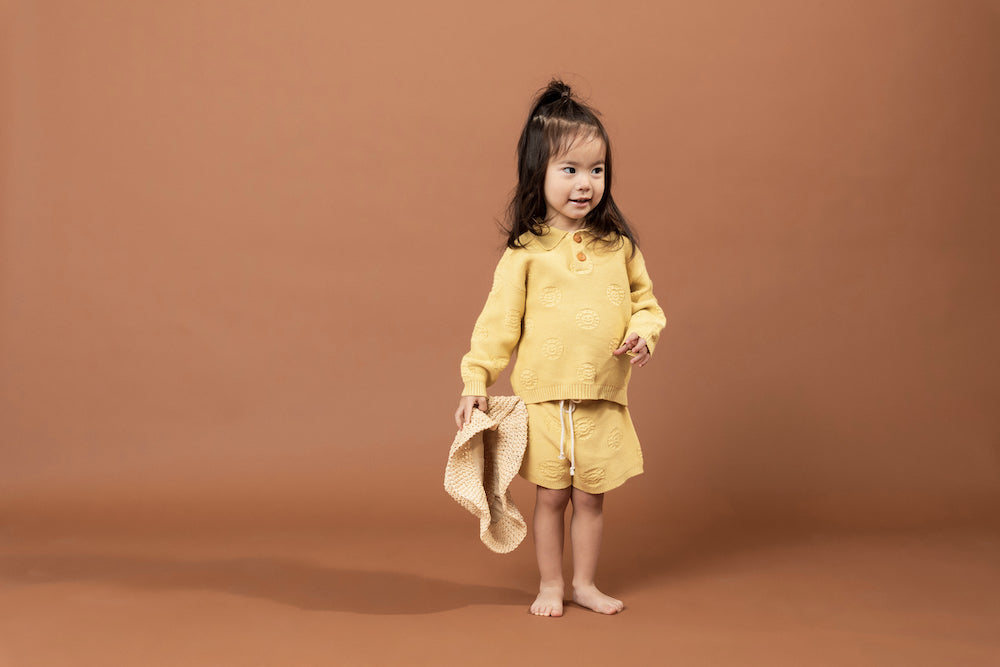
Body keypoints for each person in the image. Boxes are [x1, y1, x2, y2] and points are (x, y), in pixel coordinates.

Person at [453, 79, 666, 617]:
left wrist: (644, 333)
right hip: (544, 400)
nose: (585, 183)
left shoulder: (619, 247)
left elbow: (647, 305)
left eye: (597, 170)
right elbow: (497, 324)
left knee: (591, 497)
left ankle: (584, 584)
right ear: (538, 173)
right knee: (551, 497)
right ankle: (551, 584)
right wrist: (477, 379)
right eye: (569, 169)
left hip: (601, 398)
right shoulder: (526, 252)